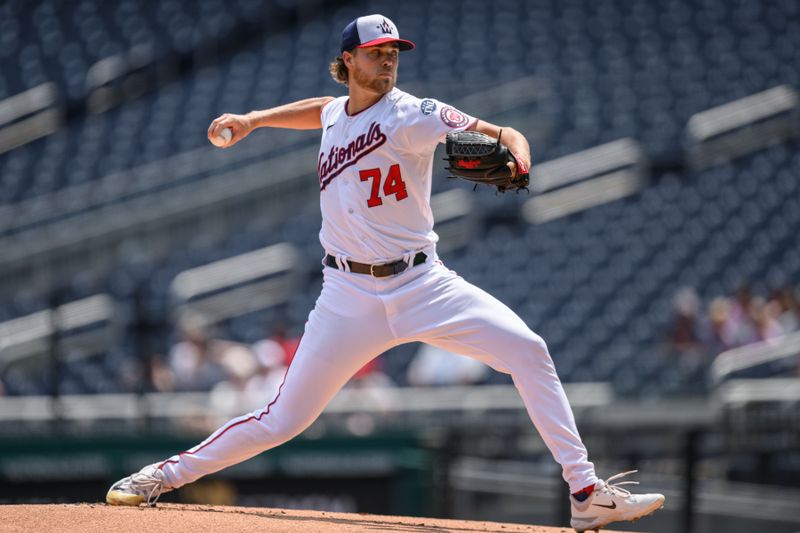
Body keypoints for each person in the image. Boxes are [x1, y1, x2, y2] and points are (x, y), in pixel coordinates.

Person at [106, 14, 664, 532]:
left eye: (393, 52)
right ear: (349, 59)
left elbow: (505, 133)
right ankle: (162, 476)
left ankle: (586, 492)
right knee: (283, 419)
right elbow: (322, 108)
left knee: (529, 349)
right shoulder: (334, 112)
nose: (388, 61)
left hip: (423, 283)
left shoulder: (413, 113)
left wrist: (519, 158)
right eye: (376, 52)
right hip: (347, 294)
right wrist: (254, 120)